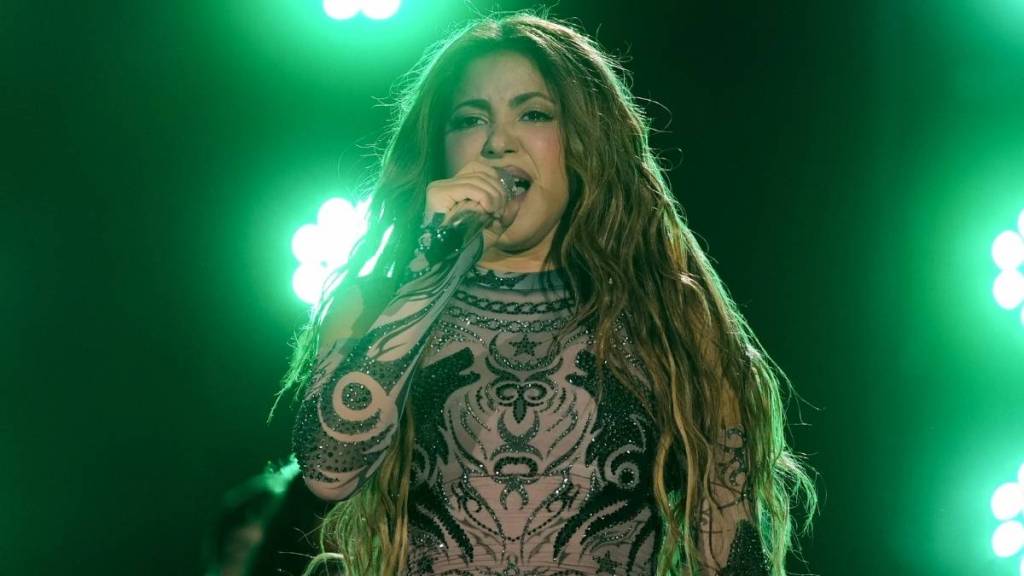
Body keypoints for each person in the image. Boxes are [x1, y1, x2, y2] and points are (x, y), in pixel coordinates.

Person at [276, 10, 817, 576]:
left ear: (583, 140)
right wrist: (432, 267)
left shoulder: (669, 317)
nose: (497, 143)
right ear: (441, 150)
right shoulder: (372, 307)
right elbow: (329, 470)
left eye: (533, 114)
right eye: (469, 120)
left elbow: (732, 550)